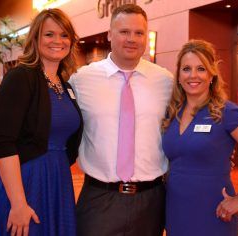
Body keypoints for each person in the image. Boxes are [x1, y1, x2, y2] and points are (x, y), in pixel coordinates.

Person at [69, 4, 173, 236]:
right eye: (124, 31)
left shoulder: (165, 81)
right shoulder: (82, 79)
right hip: (99, 198)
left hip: (152, 199)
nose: (132, 39)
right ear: (109, 34)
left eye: (139, 33)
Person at [0, 8, 83, 236]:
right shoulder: (20, 77)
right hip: (24, 182)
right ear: (35, 38)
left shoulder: (65, 86)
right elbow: (4, 142)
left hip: (56, 181)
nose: (57, 40)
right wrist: (18, 204)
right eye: (49, 34)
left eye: (64, 35)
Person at [162, 39, 238, 236]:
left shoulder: (227, 112)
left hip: (213, 209)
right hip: (175, 207)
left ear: (212, 74)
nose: (193, 75)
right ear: (178, 75)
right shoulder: (172, 113)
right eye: (186, 69)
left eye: (201, 69)